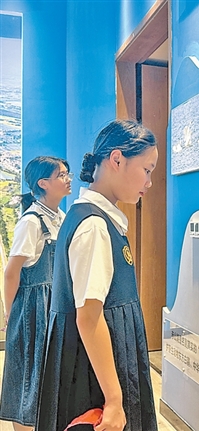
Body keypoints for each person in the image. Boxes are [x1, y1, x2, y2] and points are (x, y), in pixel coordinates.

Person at [36, 120, 158, 431]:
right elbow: (89, 317)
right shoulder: (93, 225)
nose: (149, 182)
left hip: (95, 365)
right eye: (147, 170)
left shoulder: (93, 217)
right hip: (94, 376)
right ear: (117, 159)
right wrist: (114, 400)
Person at [0, 156, 73, 431]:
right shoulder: (31, 222)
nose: (68, 179)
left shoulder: (62, 218)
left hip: (57, 304)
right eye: (61, 175)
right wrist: (11, 312)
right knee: (28, 377)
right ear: (43, 183)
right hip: (33, 307)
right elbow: (11, 272)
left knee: (50, 375)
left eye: (67, 173)